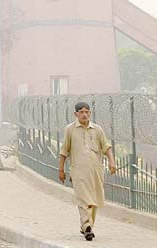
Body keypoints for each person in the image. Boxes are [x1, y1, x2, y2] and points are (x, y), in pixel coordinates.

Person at [58, 101, 117, 242]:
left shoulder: (97, 129)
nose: (84, 115)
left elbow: (106, 147)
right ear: (76, 114)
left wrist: (112, 162)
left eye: (87, 112)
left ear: (90, 113)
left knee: (94, 200)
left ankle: (87, 225)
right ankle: (87, 227)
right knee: (84, 198)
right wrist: (61, 169)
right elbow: (64, 151)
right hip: (78, 170)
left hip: (95, 170)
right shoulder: (70, 129)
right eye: (81, 112)